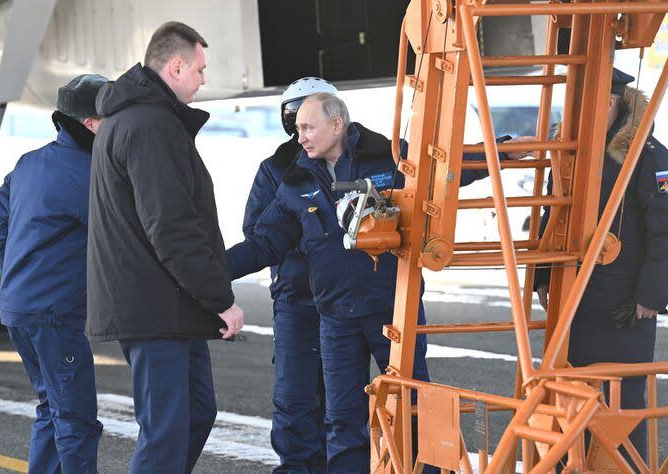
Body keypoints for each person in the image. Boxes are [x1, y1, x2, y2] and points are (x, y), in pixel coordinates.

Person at [227, 92, 523, 471]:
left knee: (414, 409)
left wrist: (499, 153)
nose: (299, 137)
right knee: (344, 421)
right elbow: (264, 243)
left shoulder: (389, 157)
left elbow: (444, 170)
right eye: (298, 128)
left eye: (307, 127)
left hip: (393, 311)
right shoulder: (295, 181)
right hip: (335, 318)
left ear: (337, 125)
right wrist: (212, 270)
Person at [85, 21, 244, 473]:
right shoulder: (150, 125)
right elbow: (171, 227)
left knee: (195, 413)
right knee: (166, 431)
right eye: (199, 69)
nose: (204, 79)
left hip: (169, 307)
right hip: (154, 308)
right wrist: (221, 298)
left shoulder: (141, 120)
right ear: (176, 67)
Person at [534, 67, 668, 460]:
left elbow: (666, 229)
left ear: (609, 103)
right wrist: (544, 276)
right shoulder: (572, 150)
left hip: (624, 310)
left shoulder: (650, 156)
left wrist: (651, 297)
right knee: (568, 401)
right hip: (572, 301)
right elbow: (551, 215)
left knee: (620, 409)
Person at [0, 73, 108, 473]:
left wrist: (14, 275)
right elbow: (121, 241)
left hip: (18, 309)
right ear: (91, 124)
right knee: (76, 421)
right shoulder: (89, 174)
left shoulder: (28, 164)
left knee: (50, 408)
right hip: (54, 316)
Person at [244, 77, 337, 473]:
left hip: (342, 301)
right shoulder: (276, 170)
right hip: (297, 299)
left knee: (344, 400)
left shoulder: (349, 160)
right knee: (296, 399)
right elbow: (256, 232)